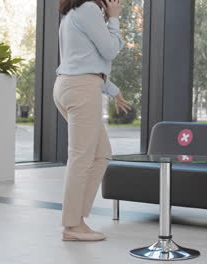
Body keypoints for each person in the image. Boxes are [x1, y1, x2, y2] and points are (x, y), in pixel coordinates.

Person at [54, 0, 131, 241]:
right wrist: (115, 17)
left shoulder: (73, 13)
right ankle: (72, 225)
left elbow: (86, 60)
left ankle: (77, 219)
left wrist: (113, 90)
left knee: (101, 153)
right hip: (81, 88)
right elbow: (109, 51)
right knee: (81, 157)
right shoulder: (89, 9)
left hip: (71, 85)